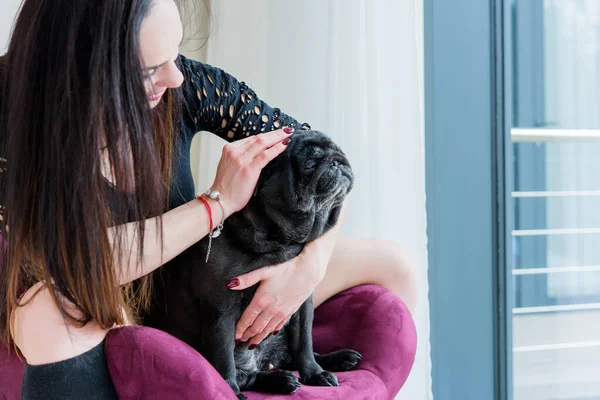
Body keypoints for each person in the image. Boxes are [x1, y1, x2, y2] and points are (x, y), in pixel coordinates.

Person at [0, 0, 418, 398]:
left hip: (195, 284)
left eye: (175, 53)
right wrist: (216, 204)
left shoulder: (188, 85)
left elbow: (318, 159)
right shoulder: (12, 112)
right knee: (49, 308)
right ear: (84, 68)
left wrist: (305, 269)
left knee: (394, 266)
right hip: (95, 296)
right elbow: (82, 264)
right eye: (149, 70)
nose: (175, 77)